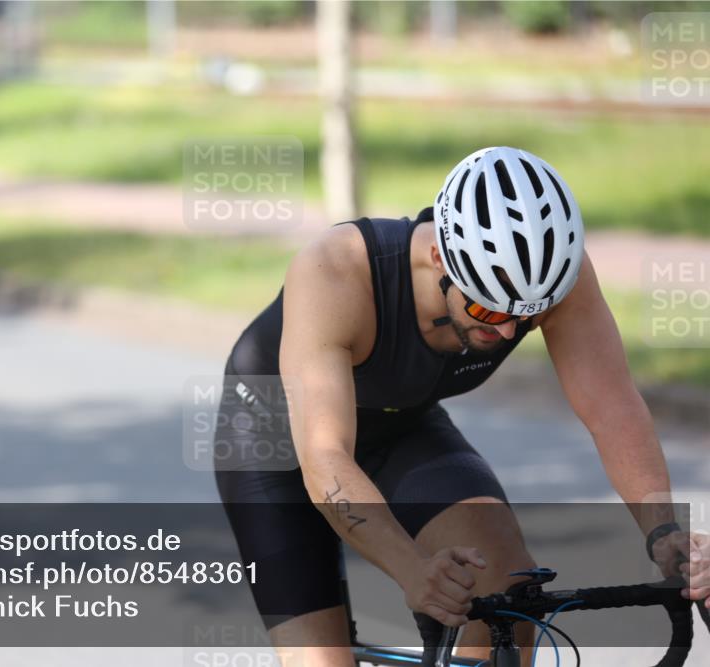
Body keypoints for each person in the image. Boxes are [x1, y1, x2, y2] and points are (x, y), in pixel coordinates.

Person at [213, 146, 710, 666]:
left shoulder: (553, 276)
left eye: (527, 318)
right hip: (276, 441)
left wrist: (663, 531)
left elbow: (613, 409)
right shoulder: (337, 270)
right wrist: (413, 571)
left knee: (508, 583)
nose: (505, 330)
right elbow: (326, 457)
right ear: (439, 257)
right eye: (483, 307)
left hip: (399, 424)